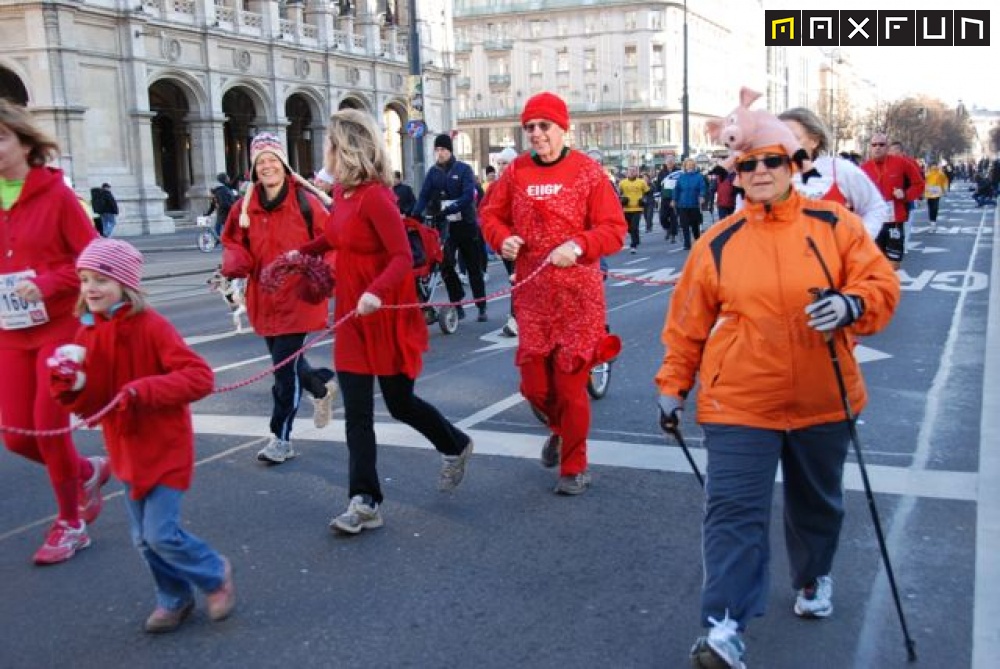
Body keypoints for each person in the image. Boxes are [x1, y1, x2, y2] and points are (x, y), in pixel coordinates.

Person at [656, 107, 900, 668]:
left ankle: (812, 578)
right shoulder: (717, 243)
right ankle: (723, 627)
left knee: (817, 505)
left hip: (823, 399)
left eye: (771, 160)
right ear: (735, 175)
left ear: (794, 164)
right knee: (732, 512)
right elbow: (686, 324)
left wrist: (851, 304)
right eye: (747, 164)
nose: (760, 170)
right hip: (740, 402)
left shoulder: (836, 227)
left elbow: (880, 285)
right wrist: (672, 386)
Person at [294, 109, 474, 534]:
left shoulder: (377, 197)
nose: (325, 151)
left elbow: (400, 256)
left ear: (346, 148)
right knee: (357, 413)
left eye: (329, 144)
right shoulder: (341, 194)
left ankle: (455, 444)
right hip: (353, 318)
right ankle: (365, 501)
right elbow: (337, 237)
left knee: (399, 403)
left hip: (386, 313)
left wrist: (375, 291)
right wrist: (304, 252)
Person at [49, 238, 235, 633]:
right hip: (125, 450)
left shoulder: (152, 326)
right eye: (84, 279)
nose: (91, 288)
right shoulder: (86, 334)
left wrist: (144, 389)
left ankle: (213, 573)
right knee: (143, 539)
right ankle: (174, 597)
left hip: (165, 446)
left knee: (161, 533)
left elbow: (199, 377)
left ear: (125, 284)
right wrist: (69, 387)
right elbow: (92, 403)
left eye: (101, 278)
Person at [479, 92, 626, 495]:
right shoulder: (516, 173)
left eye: (544, 126)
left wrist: (578, 246)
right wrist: (502, 237)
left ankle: (574, 467)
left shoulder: (588, 172)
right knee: (534, 387)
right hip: (533, 296)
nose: (537, 134)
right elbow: (490, 214)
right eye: (530, 127)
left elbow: (614, 229)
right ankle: (559, 430)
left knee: (570, 387)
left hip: (578, 297)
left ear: (564, 128)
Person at [0, 98, 108, 565]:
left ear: (24, 143)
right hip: (10, 332)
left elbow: (92, 261)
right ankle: (86, 471)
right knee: (16, 436)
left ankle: (71, 523)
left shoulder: (57, 194)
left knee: (47, 429)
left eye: (0, 137)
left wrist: (46, 284)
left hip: (58, 328)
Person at [220, 132, 338, 465]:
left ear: (283, 164)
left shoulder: (305, 202)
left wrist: (324, 279)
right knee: (285, 361)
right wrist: (234, 265)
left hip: (298, 295)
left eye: (273, 160)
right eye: (261, 162)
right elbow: (231, 240)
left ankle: (281, 438)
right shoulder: (243, 207)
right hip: (263, 296)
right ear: (254, 169)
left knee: (283, 371)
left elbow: (332, 239)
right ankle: (320, 384)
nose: (267, 167)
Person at [778, 107, 890, 239]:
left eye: (793, 138)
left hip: (831, 258)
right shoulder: (763, 174)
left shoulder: (838, 169)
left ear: (814, 141)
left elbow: (875, 207)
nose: (785, 145)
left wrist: (858, 243)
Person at [412, 133, 488, 322]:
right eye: (437, 150)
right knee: (445, 264)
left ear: (450, 150)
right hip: (445, 226)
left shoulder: (463, 169)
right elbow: (423, 195)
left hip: (466, 223)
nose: (440, 153)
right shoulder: (433, 172)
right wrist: (415, 214)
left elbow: (468, 195)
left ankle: (481, 306)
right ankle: (457, 303)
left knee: (472, 266)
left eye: (443, 149)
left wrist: (451, 207)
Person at [860, 133, 925, 268]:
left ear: (887, 147)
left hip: (894, 221)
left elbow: (919, 183)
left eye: (881, 145)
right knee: (874, 263)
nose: (877, 148)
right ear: (870, 148)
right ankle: (880, 287)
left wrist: (905, 195)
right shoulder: (863, 168)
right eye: (874, 145)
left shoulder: (901, 163)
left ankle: (887, 283)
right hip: (873, 222)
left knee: (893, 264)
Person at [673, 158, 705, 250]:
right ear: (685, 166)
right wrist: (674, 199)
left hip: (694, 204)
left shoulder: (699, 177)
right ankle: (687, 243)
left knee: (695, 224)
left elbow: (702, 188)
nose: (690, 166)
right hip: (682, 204)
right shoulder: (681, 177)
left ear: (694, 166)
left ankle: (697, 240)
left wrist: (702, 196)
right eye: (688, 165)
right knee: (684, 224)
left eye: (691, 165)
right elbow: (677, 189)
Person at [619, 166, 649, 253]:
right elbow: (618, 194)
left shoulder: (642, 182)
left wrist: (644, 199)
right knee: (628, 228)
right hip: (626, 209)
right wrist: (622, 199)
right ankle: (636, 237)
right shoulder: (622, 183)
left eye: (634, 171)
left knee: (634, 226)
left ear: (637, 173)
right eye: (630, 171)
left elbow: (647, 192)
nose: (632, 172)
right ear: (627, 173)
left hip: (637, 208)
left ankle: (633, 245)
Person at [656, 156, 682, 242]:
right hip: (665, 197)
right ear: (665, 162)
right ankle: (668, 228)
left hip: (675, 197)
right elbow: (658, 184)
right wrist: (657, 193)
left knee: (674, 217)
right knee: (662, 217)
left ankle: (673, 235)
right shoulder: (661, 172)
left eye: (671, 161)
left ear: (674, 162)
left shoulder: (678, 172)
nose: (670, 163)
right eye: (668, 161)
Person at [205, 172, 236, 238]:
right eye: (227, 177)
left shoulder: (220, 190)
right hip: (226, 214)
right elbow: (223, 203)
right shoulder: (223, 190)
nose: (229, 179)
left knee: (219, 230)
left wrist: (208, 213)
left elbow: (213, 204)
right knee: (221, 230)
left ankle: (222, 241)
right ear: (224, 179)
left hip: (223, 214)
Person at [924, 163, 949, 233]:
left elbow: (945, 181)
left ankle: (933, 223)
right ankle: (932, 223)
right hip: (929, 193)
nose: (934, 167)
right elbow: (923, 181)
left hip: (937, 193)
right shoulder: (927, 173)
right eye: (932, 166)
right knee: (931, 208)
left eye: (935, 166)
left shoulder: (940, 174)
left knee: (935, 208)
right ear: (930, 166)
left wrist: (945, 190)